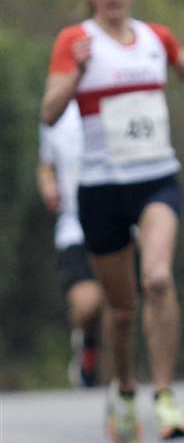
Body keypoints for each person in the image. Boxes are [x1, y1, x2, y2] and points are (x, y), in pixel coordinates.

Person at [41, 0, 184, 443]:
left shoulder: (155, 38)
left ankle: (164, 395)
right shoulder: (74, 42)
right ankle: (123, 390)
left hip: (156, 178)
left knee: (158, 279)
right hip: (100, 189)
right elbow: (50, 113)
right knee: (120, 309)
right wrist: (75, 73)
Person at [37, 100, 105, 387]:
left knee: (119, 300)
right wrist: (49, 187)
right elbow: (45, 165)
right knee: (86, 303)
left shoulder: (109, 99)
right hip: (73, 225)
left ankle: (118, 378)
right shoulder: (55, 113)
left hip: (116, 220)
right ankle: (87, 341)